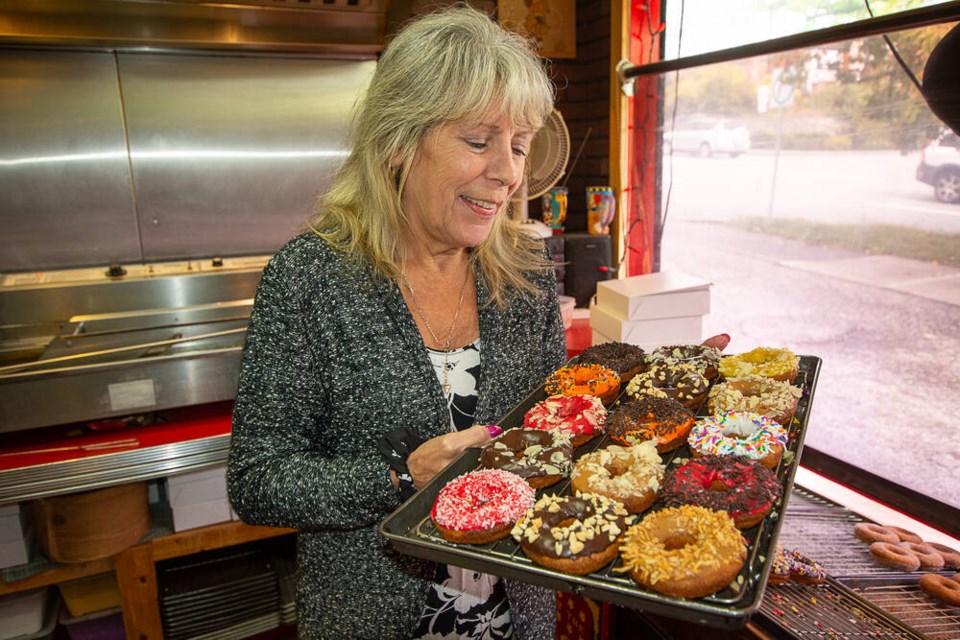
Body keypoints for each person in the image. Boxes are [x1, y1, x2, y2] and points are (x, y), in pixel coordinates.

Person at [227, 5, 564, 639]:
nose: (508, 172)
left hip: (518, 620)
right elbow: (257, 481)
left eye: (518, 145)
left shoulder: (526, 272)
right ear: (398, 144)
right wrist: (398, 478)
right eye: (478, 141)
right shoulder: (311, 279)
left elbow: (550, 432)